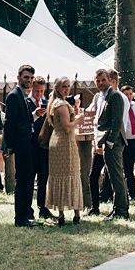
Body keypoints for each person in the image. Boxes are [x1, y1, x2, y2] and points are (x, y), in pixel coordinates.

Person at [45, 77, 84, 225]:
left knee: (60, 176)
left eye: (68, 86)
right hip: (64, 143)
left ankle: (62, 213)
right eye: (64, 86)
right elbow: (67, 127)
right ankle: (75, 213)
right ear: (58, 88)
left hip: (57, 141)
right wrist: (78, 120)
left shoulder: (54, 103)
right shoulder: (60, 104)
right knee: (71, 174)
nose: (67, 89)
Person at [5, 64, 39, 227]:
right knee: (23, 180)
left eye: (32, 78)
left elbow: (22, 120)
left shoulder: (23, 95)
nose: (30, 81)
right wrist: (9, 146)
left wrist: (33, 115)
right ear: (18, 78)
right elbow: (10, 123)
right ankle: (20, 218)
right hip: (21, 144)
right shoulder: (13, 96)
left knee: (27, 180)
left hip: (27, 143)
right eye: (26, 77)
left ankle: (26, 215)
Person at [94, 68, 129, 220]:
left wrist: (109, 142)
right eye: (98, 80)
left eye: (103, 80)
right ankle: (120, 208)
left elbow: (117, 121)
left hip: (113, 143)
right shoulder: (102, 96)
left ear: (109, 79)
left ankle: (121, 210)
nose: (101, 83)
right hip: (106, 142)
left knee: (116, 176)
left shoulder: (115, 96)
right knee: (115, 177)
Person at [29, 76, 55, 220]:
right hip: (31, 146)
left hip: (44, 147)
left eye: (41, 91)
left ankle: (43, 208)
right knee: (30, 177)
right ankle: (28, 209)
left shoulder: (47, 103)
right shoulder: (26, 103)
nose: (39, 94)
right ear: (31, 88)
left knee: (44, 178)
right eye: (36, 91)